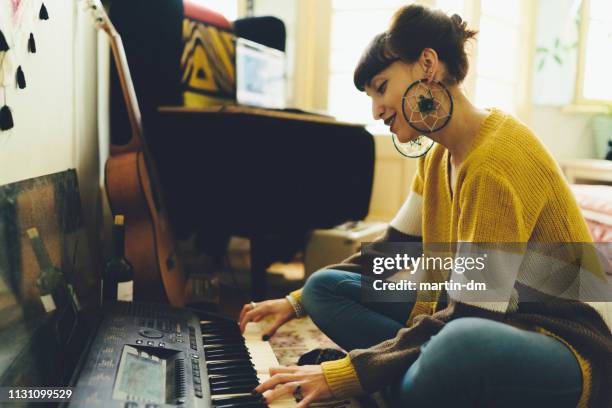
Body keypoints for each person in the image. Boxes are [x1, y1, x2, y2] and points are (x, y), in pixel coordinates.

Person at [239, 4, 612, 408]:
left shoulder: (497, 162)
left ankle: (389, 381)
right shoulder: (437, 158)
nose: (376, 111)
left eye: (381, 88)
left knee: (458, 343)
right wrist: (296, 302)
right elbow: (387, 252)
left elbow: (473, 315)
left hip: (565, 344)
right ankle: (400, 384)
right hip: (492, 316)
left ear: (428, 65)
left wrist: (348, 374)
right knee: (323, 288)